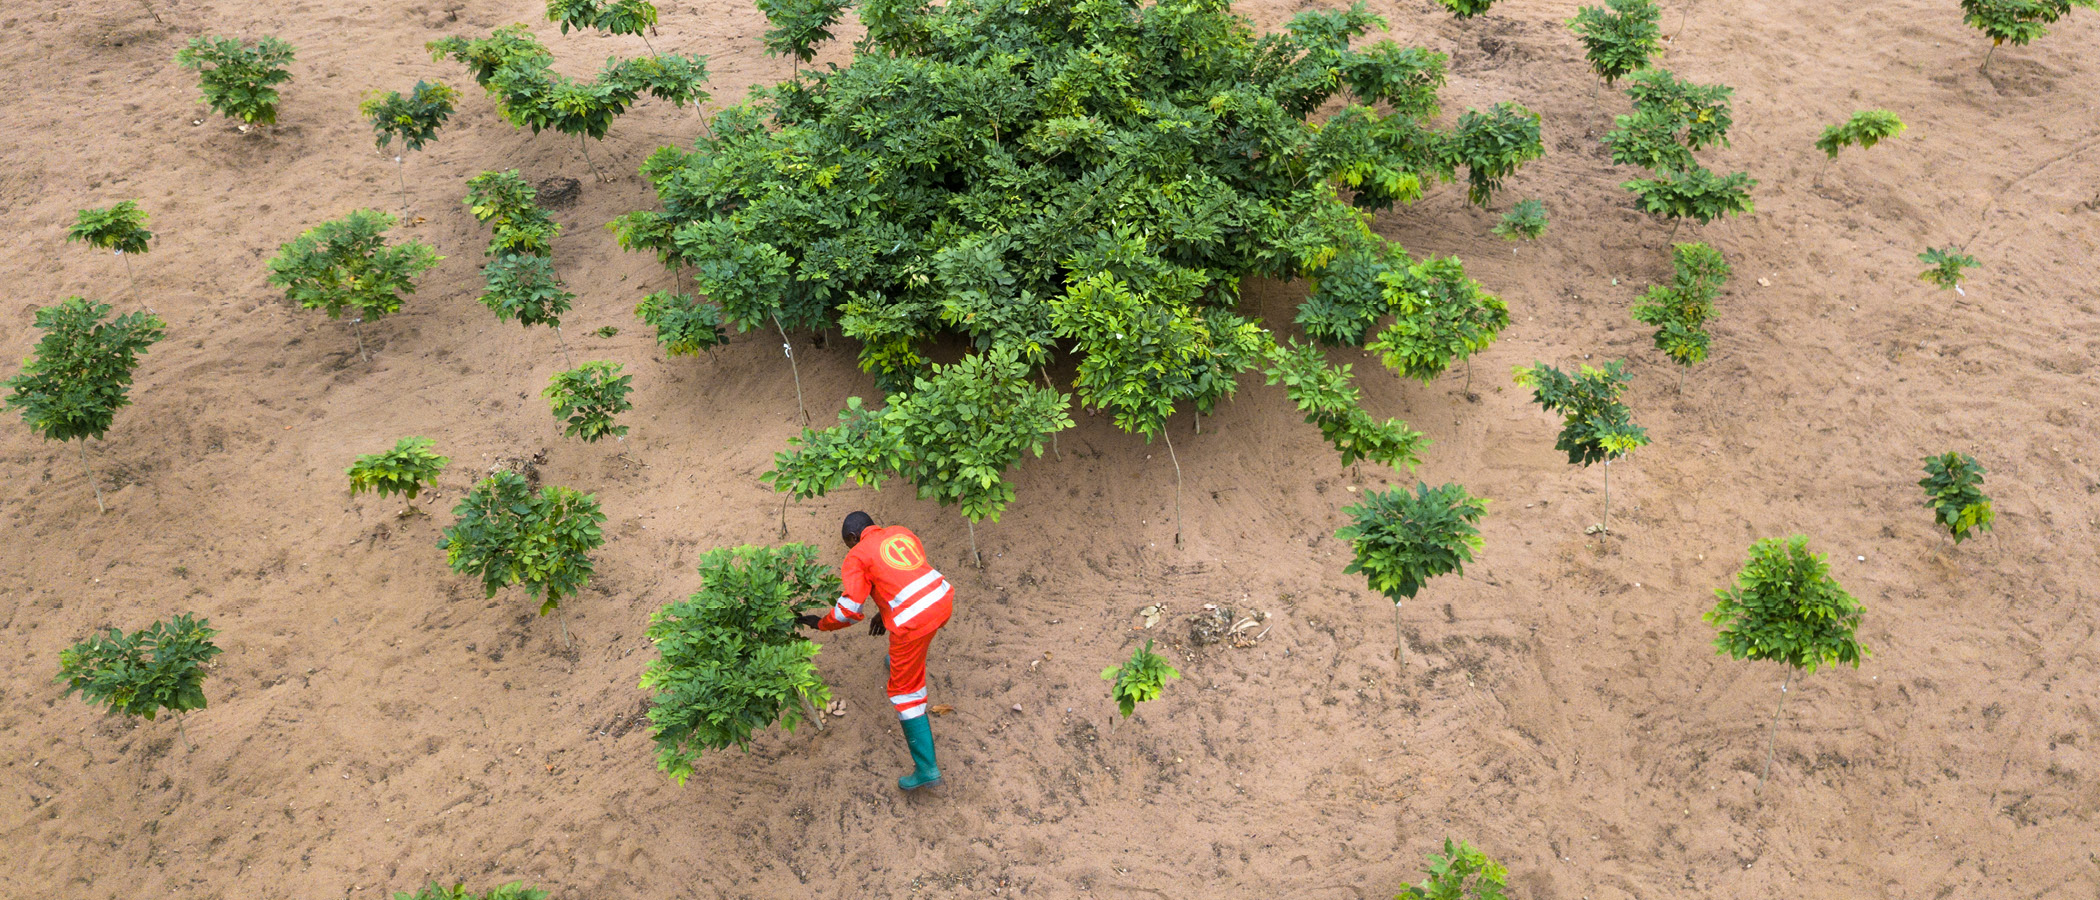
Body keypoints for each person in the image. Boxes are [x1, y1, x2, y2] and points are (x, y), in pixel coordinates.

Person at [795, 511, 952, 790]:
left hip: (914, 622)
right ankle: (900, 661)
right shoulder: (899, 530)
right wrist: (884, 609)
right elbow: (902, 577)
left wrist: (821, 624)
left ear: (853, 537)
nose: (849, 548)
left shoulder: (857, 556)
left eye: (848, 543)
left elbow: (849, 609)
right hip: (941, 600)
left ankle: (927, 769)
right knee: (916, 639)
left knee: (906, 694)